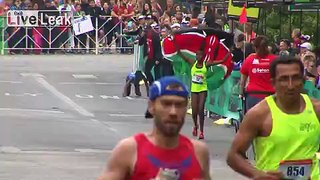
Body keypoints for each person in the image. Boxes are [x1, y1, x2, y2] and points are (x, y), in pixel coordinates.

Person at [99, 76, 211, 180]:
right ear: (151, 106)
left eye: (179, 105)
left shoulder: (198, 152)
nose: (173, 112)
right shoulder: (129, 150)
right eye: (166, 104)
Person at [227, 56, 320, 180]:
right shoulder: (259, 114)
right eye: (284, 79)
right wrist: (258, 174)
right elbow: (233, 155)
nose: (291, 85)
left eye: (295, 78)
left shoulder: (316, 109)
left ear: (303, 80)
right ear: (273, 83)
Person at [174, 41, 231, 139]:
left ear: (203, 56)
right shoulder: (192, 62)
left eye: (199, 55)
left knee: (201, 109)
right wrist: (174, 41)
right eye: (196, 55)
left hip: (203, 89)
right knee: (194, 111)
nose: (197, 57)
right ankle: (195, 125)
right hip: (194, 90)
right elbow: (180, 53)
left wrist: (230, 51)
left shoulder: (206, 64)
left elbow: (222, 61)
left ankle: (201, 131)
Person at [239, 36, 278, 112]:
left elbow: (242, 80)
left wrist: (241, 93)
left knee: (251, 121)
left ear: (254, 47)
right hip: (270, 96)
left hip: (253, 96)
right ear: (267, 46)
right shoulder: (275, 60)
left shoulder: (250, 59)